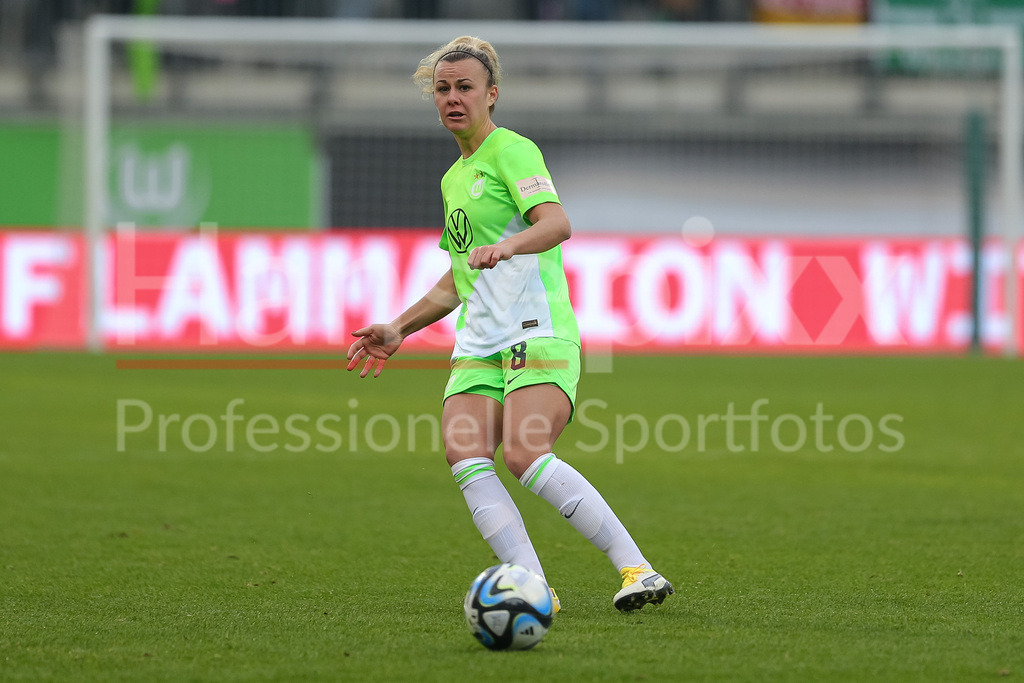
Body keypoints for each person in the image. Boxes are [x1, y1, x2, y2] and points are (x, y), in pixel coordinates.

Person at [346, 36, 673, 613]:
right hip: (479, 337)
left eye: (465, 87)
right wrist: (399, 327)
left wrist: (509, 246)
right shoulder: (454, 179)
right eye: (443, 89)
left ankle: (637, 569)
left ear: (490, 95)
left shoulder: (511, 150)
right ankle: (532, 588)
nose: (453, 98)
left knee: (524, 453)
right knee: (464, 454)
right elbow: (455, 279)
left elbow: (556, 222)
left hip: (534, 326)